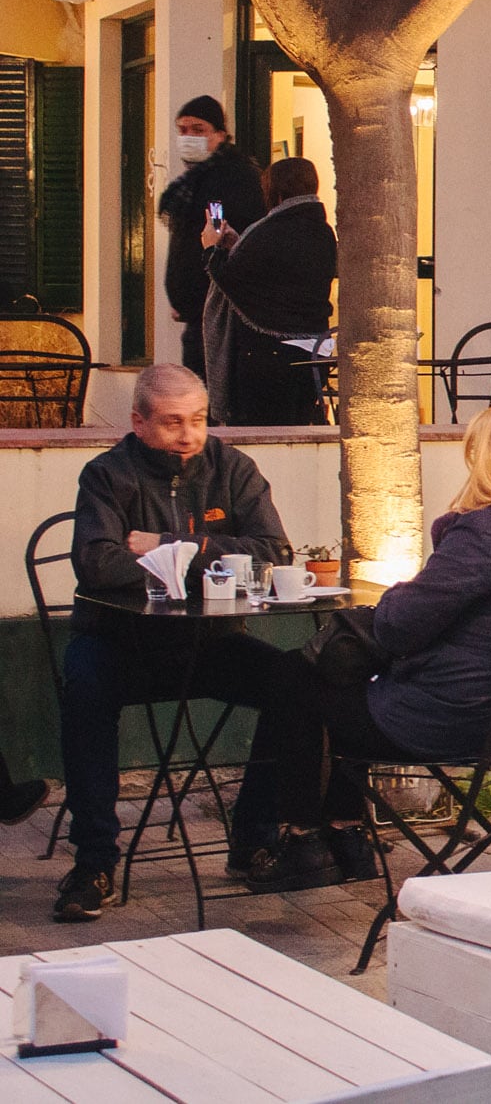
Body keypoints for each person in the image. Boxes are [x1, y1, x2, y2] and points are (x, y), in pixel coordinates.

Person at [243, 399, 491, 890]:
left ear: (489, 459)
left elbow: (398, 626)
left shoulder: (486, 534)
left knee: (292, 676)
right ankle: (347, 836)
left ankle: (306, 841)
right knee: (332, 685)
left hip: (440, 719)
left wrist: (400, 591)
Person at [55, 364, 293, 921]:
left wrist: (168, 546)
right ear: (138, 422)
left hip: (207, 644)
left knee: (296, 683)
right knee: (84, 693)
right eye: (171, 422)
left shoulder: (233, 468)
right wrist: (213, 556)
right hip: (121, 643)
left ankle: (254, 838)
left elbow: (274, 553)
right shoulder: (106, 475)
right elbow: (96, 563)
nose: (188, 435)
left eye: (198, 420)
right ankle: (93, 862)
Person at [199, 156, 337, 425]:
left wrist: (210, 248)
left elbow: (232, 280)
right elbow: (277, 273)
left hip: (269, 355)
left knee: (261, 431)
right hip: (315, 348)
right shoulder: (322, 231)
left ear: (275, 192)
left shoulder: (269, 230)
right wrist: (237, 245)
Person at [159, 96, 265, 379]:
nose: (188, 137)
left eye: (198, 129)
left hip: (220, 311)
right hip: (198, 310)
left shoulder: (231, 178)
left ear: (219, 134)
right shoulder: (192, 182)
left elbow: (216, 233)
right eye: (182, 130)